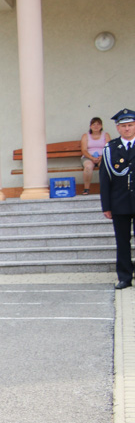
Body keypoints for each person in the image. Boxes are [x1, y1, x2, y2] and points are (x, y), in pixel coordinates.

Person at [100, 108, 135, 289]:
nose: (127, 129)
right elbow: (105, 179)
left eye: (130, 125)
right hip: (119, 202)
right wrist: (106, 205)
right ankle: (124, 277)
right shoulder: (111, 148)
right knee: (122, 242)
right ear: (117, 128)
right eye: (123, 126)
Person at [80, 117, 110, 195]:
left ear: (101, 126)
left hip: (102, 157)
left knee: (104, 167)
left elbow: (108, 148)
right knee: (88, 167)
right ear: (90, 126)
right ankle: (86, 188)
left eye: (98, 124)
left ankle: (105, 188)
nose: (96, 126)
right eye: (94, 124)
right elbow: (84, 150)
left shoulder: (106, 135)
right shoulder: (85, 136)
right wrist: (92, 158)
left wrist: (102, 157)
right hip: (88, 157)